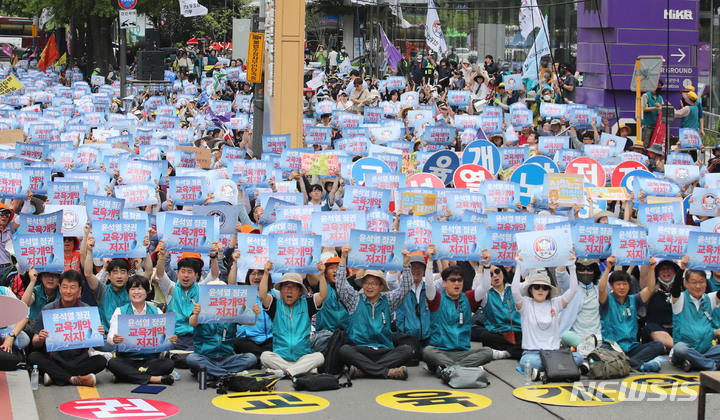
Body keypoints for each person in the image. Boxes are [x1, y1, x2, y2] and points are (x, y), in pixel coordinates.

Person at [336, 244, 414, 380]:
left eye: (373, 283)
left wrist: (406, 265)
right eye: (366, 283)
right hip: (360, 349)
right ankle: (386, 372)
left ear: (381, 287)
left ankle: (364, 370)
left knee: (407, 350)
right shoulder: (355, 299)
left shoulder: (388, 300)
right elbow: (340, 285)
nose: (369, 286)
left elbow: (405, 288)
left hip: (383, 349)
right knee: (344, 350)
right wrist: (343, 258)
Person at [422, 248, 497, 376]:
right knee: (427, 351)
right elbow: (428, 285)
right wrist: (429, 260)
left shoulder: (468, 298)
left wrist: (486, 264)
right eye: (453, 280)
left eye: (460, 280)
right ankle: (460, 368)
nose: (457, 283)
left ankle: (450, 368)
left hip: (463, 352)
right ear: (444, 283)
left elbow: (485, 287)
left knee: (487, 352)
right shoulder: (437, 299)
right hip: (441, 351)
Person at [28, 270, 107, 387]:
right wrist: (40, 338)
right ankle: (74, 379)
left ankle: (55, 376)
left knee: (101, 360)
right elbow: (35, 342)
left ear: (79, 290)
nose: (68, 291)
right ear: (60, 288)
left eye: (72, 287)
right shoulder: (49, 309)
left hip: (79, 361)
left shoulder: (86, 310)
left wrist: (99, 335)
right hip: (55, 360)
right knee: (33, 357)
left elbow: (97, 346)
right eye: (65, 287)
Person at [512, 252, 583, 379]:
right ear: (531, 289)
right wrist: (518, 265)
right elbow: (514, 291)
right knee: (528, 363)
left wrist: (572, 267)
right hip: (533, 354)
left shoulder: (555, 303)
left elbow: (573, 290)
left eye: (544, 288)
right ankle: (560, 369)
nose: (540, 290)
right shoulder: (526, 304)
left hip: (554, 353)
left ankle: (546, 372)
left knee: (579, 357)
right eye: (537, 287)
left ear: (549, 290)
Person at [259, 263, 327, 378]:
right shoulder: (275, 305)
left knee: (319, 357)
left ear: (300, 291)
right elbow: (262, 295)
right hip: (280, 358)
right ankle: (300, 370)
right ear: (280, 290)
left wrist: (322, 275)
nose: (289, 291)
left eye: (294, 287)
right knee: (265, 356)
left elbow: (323, 295)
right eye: (286, 286)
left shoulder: (307, 304)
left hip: (302, 357)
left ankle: (285, 372)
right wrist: (266, 273)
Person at [106, 275, 177, 385]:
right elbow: (109, 339)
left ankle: (125, 376)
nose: (136, 292)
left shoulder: (156, 311)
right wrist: (114, 340)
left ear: (147, 291)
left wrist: (170, 339)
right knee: (112, 363)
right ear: (128, 291)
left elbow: (163, 337)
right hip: (127, 359)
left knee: (169, 364)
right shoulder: (120, 311)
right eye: (132, 289)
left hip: (150, 360)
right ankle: (154, 379)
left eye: (140, 289)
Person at [598, 256, 665, 371]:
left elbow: (650, 289)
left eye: (625, 284)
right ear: (612, 286)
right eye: (618, 284)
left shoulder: (634, 300)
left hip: (632, 348)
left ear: (629, 285)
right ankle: (636, 364)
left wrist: (652, 269)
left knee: (658, 345)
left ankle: (627, 363)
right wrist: (608, 268)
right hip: (613, 347)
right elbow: (601, 289)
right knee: (604, 350)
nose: (622, 287)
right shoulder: (607, 301)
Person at [187, 282, 259, 380]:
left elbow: (250, 322)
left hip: (227, 357)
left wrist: (254, 314)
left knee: (251, 358)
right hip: (205, 356)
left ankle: (211, 372)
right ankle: (227, 375)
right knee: (192, 359)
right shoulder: (201, 308)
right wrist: (196, 314)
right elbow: (192, 322)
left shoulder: (232, 309)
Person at [670, 256, 720, 372]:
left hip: (706, 349)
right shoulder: (680, 299)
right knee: (680, 349)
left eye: (701, 282)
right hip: (685, 349)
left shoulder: (709, 298)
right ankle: (713, 366)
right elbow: (675, 288)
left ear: (706, 283)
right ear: (686, 283)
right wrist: (682, 269)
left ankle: (695, 363)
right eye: (694, 282)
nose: (698, 286)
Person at [307, 253, 349, 352]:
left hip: (347, 335)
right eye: (331, 268)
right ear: (326, 272)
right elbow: (312, 278)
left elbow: (361, 275)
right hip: (326, 337)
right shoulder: (322, 287)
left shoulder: (351, 288)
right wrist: (309, 262)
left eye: (339, 267)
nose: (335, 270)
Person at [641, 80, 664, 147]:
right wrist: (655, 108)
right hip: (647, 126)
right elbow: (643, 108)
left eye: (660, 86)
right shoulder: (646, 95)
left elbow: (662, 108)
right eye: (658, 85)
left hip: (656, 126)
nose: (659, 87)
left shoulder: (660, 97)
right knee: (645, 145)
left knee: (654, 146)